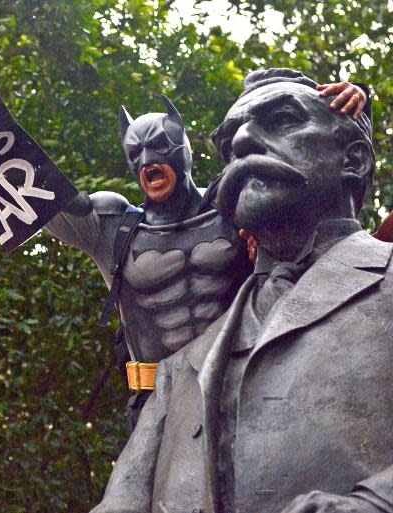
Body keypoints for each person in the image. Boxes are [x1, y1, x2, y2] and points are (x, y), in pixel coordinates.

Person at [0, 79, 368, 429]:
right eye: (136, 152)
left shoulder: (235, 204)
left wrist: (351, 101)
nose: (148, 160)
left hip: (241, 386)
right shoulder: (113, 224)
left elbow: (316, 202)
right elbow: (28, 191)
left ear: (185, 151)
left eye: (159, 147)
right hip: (156, 402)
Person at [90, 68, 392, 513]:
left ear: (354, 160)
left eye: (283, 120)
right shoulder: (179, 371)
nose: (243, 142)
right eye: (230, 143)